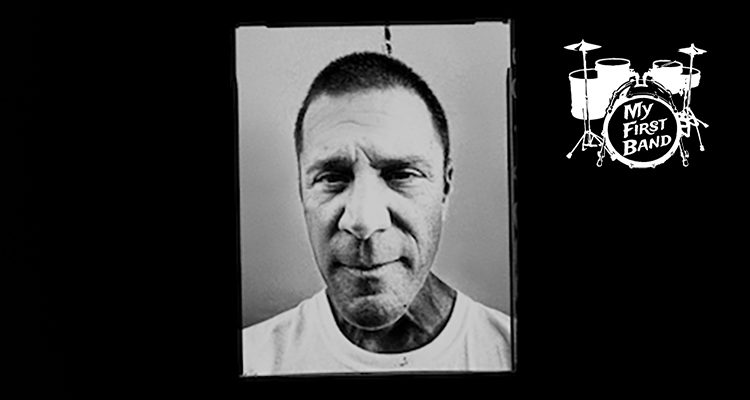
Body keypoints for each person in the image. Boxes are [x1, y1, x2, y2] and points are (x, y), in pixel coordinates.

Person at [242, 51, 512, 375]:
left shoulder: (506, 351)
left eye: (401, 175)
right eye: (332, 178)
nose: (363, 222)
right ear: (302, 191)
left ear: (445, 188)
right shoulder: (252, 360)